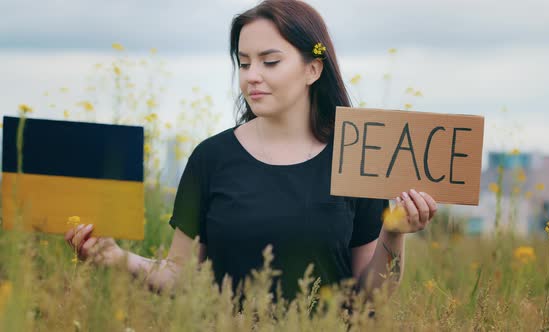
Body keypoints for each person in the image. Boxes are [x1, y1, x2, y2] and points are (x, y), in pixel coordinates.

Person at [65, 0, 437, 301]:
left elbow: (372, 298)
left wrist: (394, 234)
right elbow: (179, 278)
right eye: (243, 63)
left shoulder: (354, 159)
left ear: (313, 69)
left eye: (270, 62)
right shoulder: (211, 158)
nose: (251, 76)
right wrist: (115, 257)